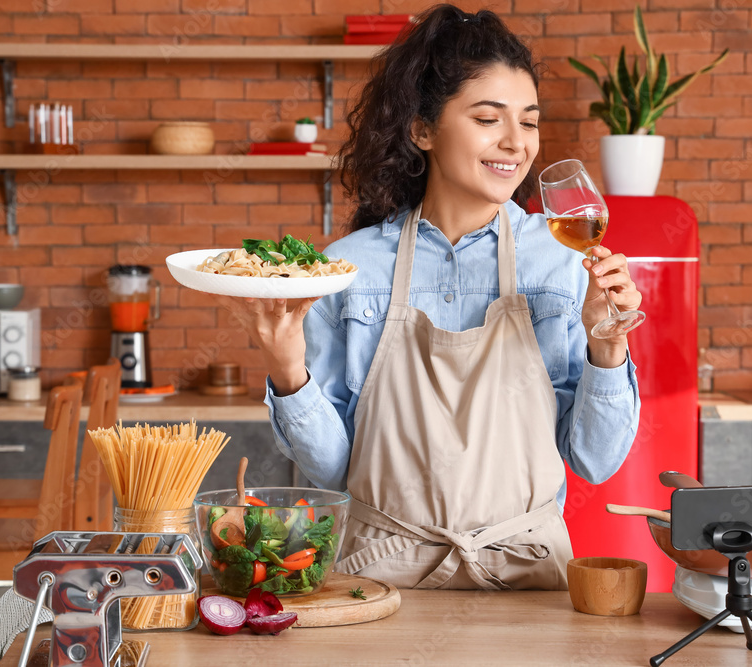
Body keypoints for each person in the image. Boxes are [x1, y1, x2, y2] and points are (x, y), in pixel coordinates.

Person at [218, 3, 641, 591]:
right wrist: (287, 369)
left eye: (529, 120)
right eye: (489, 119)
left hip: (525, 582)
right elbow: (334, 470)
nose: (516, 143)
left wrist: (608, 346)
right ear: (422, 128)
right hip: (379, 577)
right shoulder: (349, 267)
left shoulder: (562, 261)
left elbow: (596, 460)